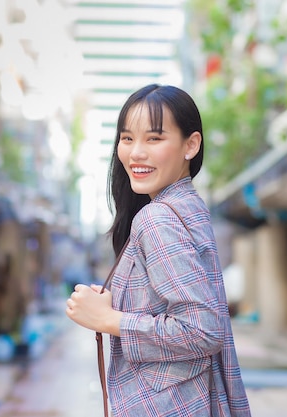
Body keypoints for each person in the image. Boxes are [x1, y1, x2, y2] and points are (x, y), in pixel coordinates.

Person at [66, 84, 251, 416]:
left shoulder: (157, 218)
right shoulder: (187, 205)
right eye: (127, 138)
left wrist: (110, 319)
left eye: (154, 138)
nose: (136, 152)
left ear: (190, 145)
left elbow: (202, 329)